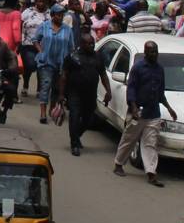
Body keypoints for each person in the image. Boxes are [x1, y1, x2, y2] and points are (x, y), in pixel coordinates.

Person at [113, 40, 178, 187]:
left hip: (153, 112)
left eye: (156, 51)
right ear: (146, 52)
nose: (155, 54)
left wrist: (169, 108)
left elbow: (160, 92)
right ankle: (118, 164)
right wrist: (134, 108)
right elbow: (131, 89)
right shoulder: (137, 68)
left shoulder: (160, 69)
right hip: (138, 111)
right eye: (151, 52)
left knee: (150, 143)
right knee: (129, 138)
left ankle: (151, 173)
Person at [59, 33, 112, 156]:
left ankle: (76, 135)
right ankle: (74, 144)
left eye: (92, 43)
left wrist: (108, 91)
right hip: (74, 93)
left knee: (88, 119)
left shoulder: (98, 57)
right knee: (74, 117)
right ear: (82, 44)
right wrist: (61, 94)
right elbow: (64, 76)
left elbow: (103, 75)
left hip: (90, 94)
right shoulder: (72, 57)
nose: (91, 45)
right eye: (88, 43)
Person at [37, 4, 75, 124]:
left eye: (62, 15)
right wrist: (41, 51)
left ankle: (52, 109)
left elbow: (71, 47)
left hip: (61, 63)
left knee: (57, 88)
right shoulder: (44, 26)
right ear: (52, 15)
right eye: (58, 14)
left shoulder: (67, 29)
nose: (60, 17)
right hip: (46, 61)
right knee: (45, 85)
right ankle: (42, 114)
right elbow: (35, 40)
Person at [18, 0, 48, 98]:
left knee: (41, 67)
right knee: (29, 65)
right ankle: (25, 85)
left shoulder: (49, 14)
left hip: (43, 46)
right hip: (28, 44)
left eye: (43, 1)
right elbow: (20, 25)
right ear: (36, 2)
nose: (41, 3)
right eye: (39, 1)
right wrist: (19, 41)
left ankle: (39, 89)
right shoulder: (28, 12)